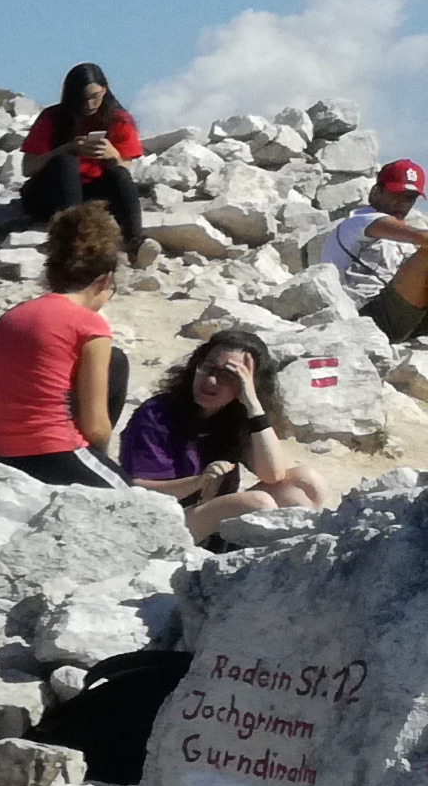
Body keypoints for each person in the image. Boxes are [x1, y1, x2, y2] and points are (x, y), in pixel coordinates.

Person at [119, 327, 329, 537]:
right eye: (207, 368)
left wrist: (253, 406)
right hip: (164, 520)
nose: (211, 381)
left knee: (306, 481)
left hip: (208, 512)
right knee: (259, 503)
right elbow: (138, 488)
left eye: (228, 376)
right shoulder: (157, 415)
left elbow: (273, 474)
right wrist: (198, 482)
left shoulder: (236, 416)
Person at [0, 206, 131, 487]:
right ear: (105, 280)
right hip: (53, 453)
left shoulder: (12, 317)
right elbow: (96, 427)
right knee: (137, 501)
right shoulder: (89, 324)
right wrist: (101, 457)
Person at [17, 62, 148, 241]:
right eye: (82, 98)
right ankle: (73, 241)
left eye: (94, 96)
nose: (89, 104)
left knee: (119, 175)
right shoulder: (52, 117)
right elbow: (28, 168)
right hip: (50, 195)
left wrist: (113, 156)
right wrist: (66, 149)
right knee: (66, 162)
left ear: (104, 90)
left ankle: (135, 241)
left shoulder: (119, 119)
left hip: (92, 194)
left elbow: (125, 168)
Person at [322, 157, 428, 342]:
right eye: (397, 194)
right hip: (364, 317)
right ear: (376, 192)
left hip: (403, 318)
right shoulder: (357, 222)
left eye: (410, 198)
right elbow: (423, 238)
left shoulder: (403, 242)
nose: (403, 203)